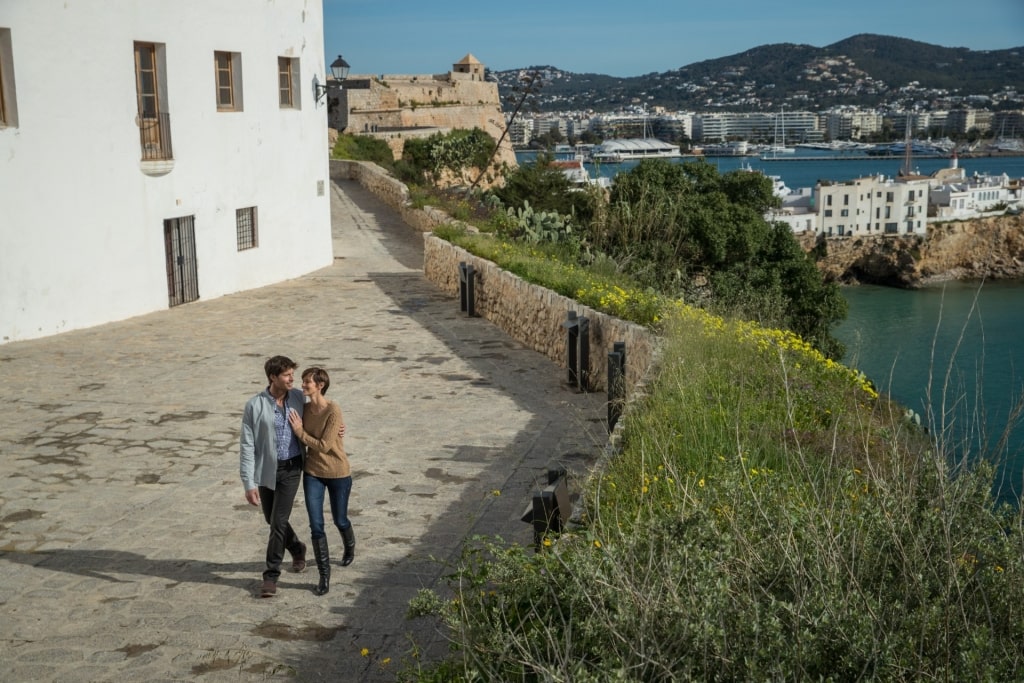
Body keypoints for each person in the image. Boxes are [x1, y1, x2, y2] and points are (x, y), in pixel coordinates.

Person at [239, 355, 309, 598]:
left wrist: (337, 425)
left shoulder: (299, 398)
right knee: (271, 518)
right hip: (267, 470)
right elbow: (247, 446)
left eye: (292, 374)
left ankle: (271, 576)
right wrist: (249, 483)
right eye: (287, 375)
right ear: (272, 377)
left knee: (278, 521)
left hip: (292, 469)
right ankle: (297, 547)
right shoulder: (254, 405)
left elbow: (319, 414)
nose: (292, 379)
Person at [287, 366, 354, 596]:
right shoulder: (303, 409)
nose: (303, 385)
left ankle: (349, 546)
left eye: (307, 382)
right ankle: (324, 576)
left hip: (338, 472)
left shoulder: (333, 410)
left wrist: (300, 432)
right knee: (316, 525)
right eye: (303, 381)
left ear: (320, 385)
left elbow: (324, 446)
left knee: (340, 520)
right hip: (313, 473)